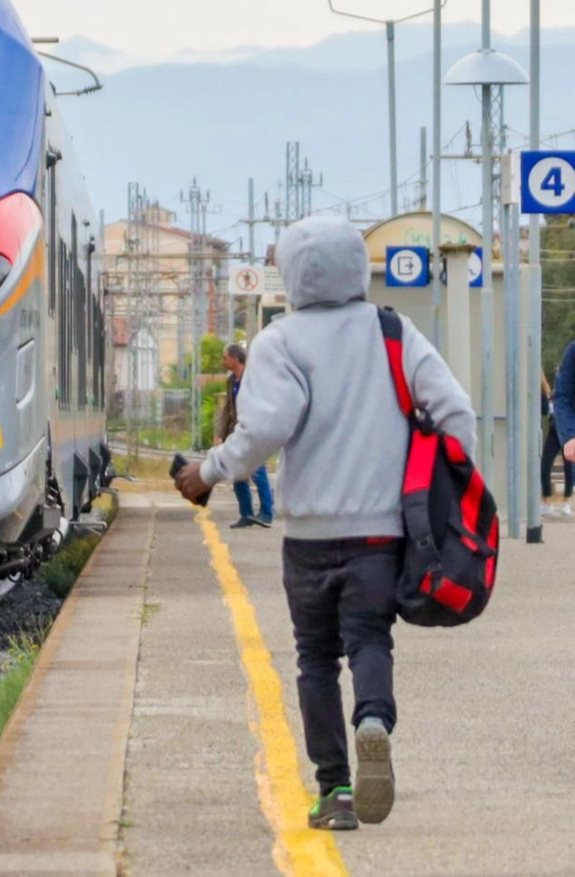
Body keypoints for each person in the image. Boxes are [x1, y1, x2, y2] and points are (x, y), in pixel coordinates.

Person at [174, 216, 475, 831]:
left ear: (291, 273)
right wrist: (451, 494)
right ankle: (373, 720)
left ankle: (335, 791)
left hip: (310, 535)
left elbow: (263, 432)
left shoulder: (280, 341)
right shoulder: (394, 329)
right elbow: (456, 412)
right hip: (380, 534)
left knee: (315, 658)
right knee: (369, 640)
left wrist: (209, 471)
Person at [216, 343, 275, 528]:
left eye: (225, 357)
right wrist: (221, 435)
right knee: (239, 473)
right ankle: (246, 514)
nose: (222, 361)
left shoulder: (254, 379)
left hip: (255, 431)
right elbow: (227, 410)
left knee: (258, 473)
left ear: (235, 359)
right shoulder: (231, 381)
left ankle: (266, 513)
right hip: (238, 433)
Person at [540, 373, 572, 516]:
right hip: (554, 430)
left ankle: (566, 502)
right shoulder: (552, 394)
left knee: (569, 467)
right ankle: (547, 502)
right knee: (545, 464)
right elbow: (546, 409)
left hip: (567, 431)